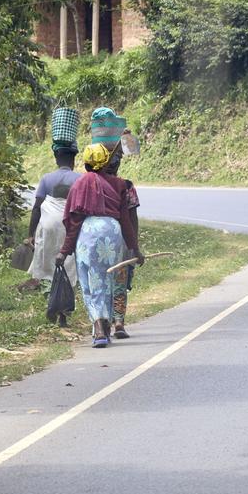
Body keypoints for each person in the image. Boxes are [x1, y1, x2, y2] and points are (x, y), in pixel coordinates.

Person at [56, 138, 144, 348]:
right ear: (106, 162)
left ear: (86, 164)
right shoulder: (120, 184)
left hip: (88, 234)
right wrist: (134, 248)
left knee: (90, 280)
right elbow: (125, 219)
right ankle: (111, 324)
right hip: (112, 234)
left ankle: (99, 329)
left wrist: (64, 251)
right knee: (110, 280)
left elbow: (74, 220)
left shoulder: (80, 183)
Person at [26, 141, 81, 326]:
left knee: (48, 266)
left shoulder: (46, 179)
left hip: (48, 228)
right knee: (69, 267)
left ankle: (51, 303)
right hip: (69, 228)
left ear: (57, 159)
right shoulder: (79, 179)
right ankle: (63, 314)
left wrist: (30, 234)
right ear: (73, 160)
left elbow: (36, 208)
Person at [104, 148, 140, 339]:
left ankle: (104, 323)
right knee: (120, 281)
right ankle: (118, 321)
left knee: (102, 282)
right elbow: (132, 218)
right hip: (122, 240)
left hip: (98, 241)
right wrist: (134, 246)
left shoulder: (92, 184)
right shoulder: (126, 186)